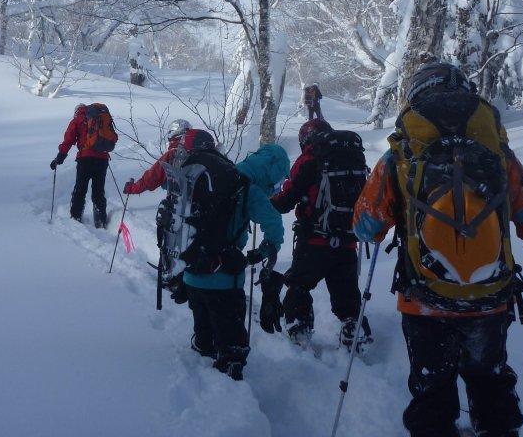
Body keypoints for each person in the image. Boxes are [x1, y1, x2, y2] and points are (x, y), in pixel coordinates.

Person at [353, 62, 523, 437]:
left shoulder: (401, 154)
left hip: (424, 297)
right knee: (490, 381)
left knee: (432, 389)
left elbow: (366, 227)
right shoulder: (497, 154)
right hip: (490, 297)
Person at [159, 129, 285, 381]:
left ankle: (203, 357)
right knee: (230, 333)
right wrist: (265, 251)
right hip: (224, 276)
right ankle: (231, 376)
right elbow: (273, 225)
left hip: (192, 268)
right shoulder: (246, 187)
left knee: (203, 329)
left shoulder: (211, 176)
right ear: (271, 172)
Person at [269, 118, 371, 351]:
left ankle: (299, 328)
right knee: (346, 293)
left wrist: (267, 201)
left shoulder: (308, 161)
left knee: (299, 285)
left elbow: (286, 200)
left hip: (313, 240)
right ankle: (353, 330)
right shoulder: (352, 160)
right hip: (347, 242)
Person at [50, 103, 116, 228]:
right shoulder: (101, 117)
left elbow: (68, 140)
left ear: (76, 111)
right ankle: (100, 221)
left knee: (80, 189)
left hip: (85, 159)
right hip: (102, 159)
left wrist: (59, 158)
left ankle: (75, 217)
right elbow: (113, 137)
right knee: (99, 191)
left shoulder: (77, 120)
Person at [122, 118, 191, 197]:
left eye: (171, 132)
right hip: (202, 196)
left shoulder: (175, 152)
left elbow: (152, 178)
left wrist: (132, 188)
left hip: (184, 195)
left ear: (176, 132)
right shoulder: (197, 150)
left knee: (166, 182)